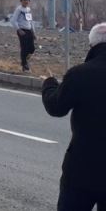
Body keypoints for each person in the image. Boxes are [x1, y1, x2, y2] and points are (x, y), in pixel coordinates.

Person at [42, 23, 106, 210]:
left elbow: (56, 107)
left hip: (81, 169)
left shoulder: (79, 74)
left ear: (92, 46)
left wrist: (49, 84)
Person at [10, 0, 36, 73]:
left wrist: (34, 32)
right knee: (24, 48)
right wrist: (18, 29)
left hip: (29, 30)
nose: (26, 1)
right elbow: (13, 20)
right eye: (24, 0)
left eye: (27, 0)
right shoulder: (19, 9)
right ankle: (25, 66)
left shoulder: (28, 10)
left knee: (32, 48)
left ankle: (24, 60)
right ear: (21, 1)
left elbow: (30, 21)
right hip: (22, 31)